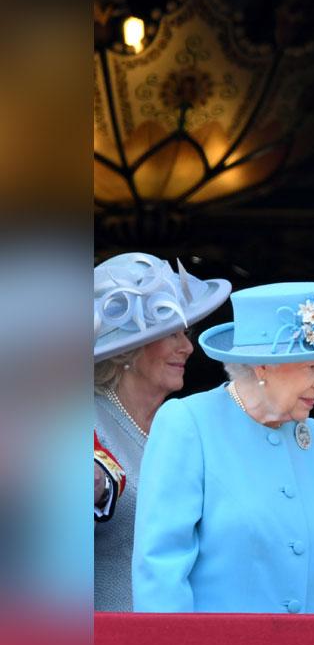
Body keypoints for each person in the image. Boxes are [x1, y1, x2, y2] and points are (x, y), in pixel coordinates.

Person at [132, 282, 314, 613]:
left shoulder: (311, 438)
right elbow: (161, 573)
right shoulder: (188, 423)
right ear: (263, 366)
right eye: (311, 368)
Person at [94, 252, 230, 611]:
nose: (187, 347)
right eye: (171, 334)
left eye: (185, 332)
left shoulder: (188, 427)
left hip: (184, 642)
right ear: (127, 349)